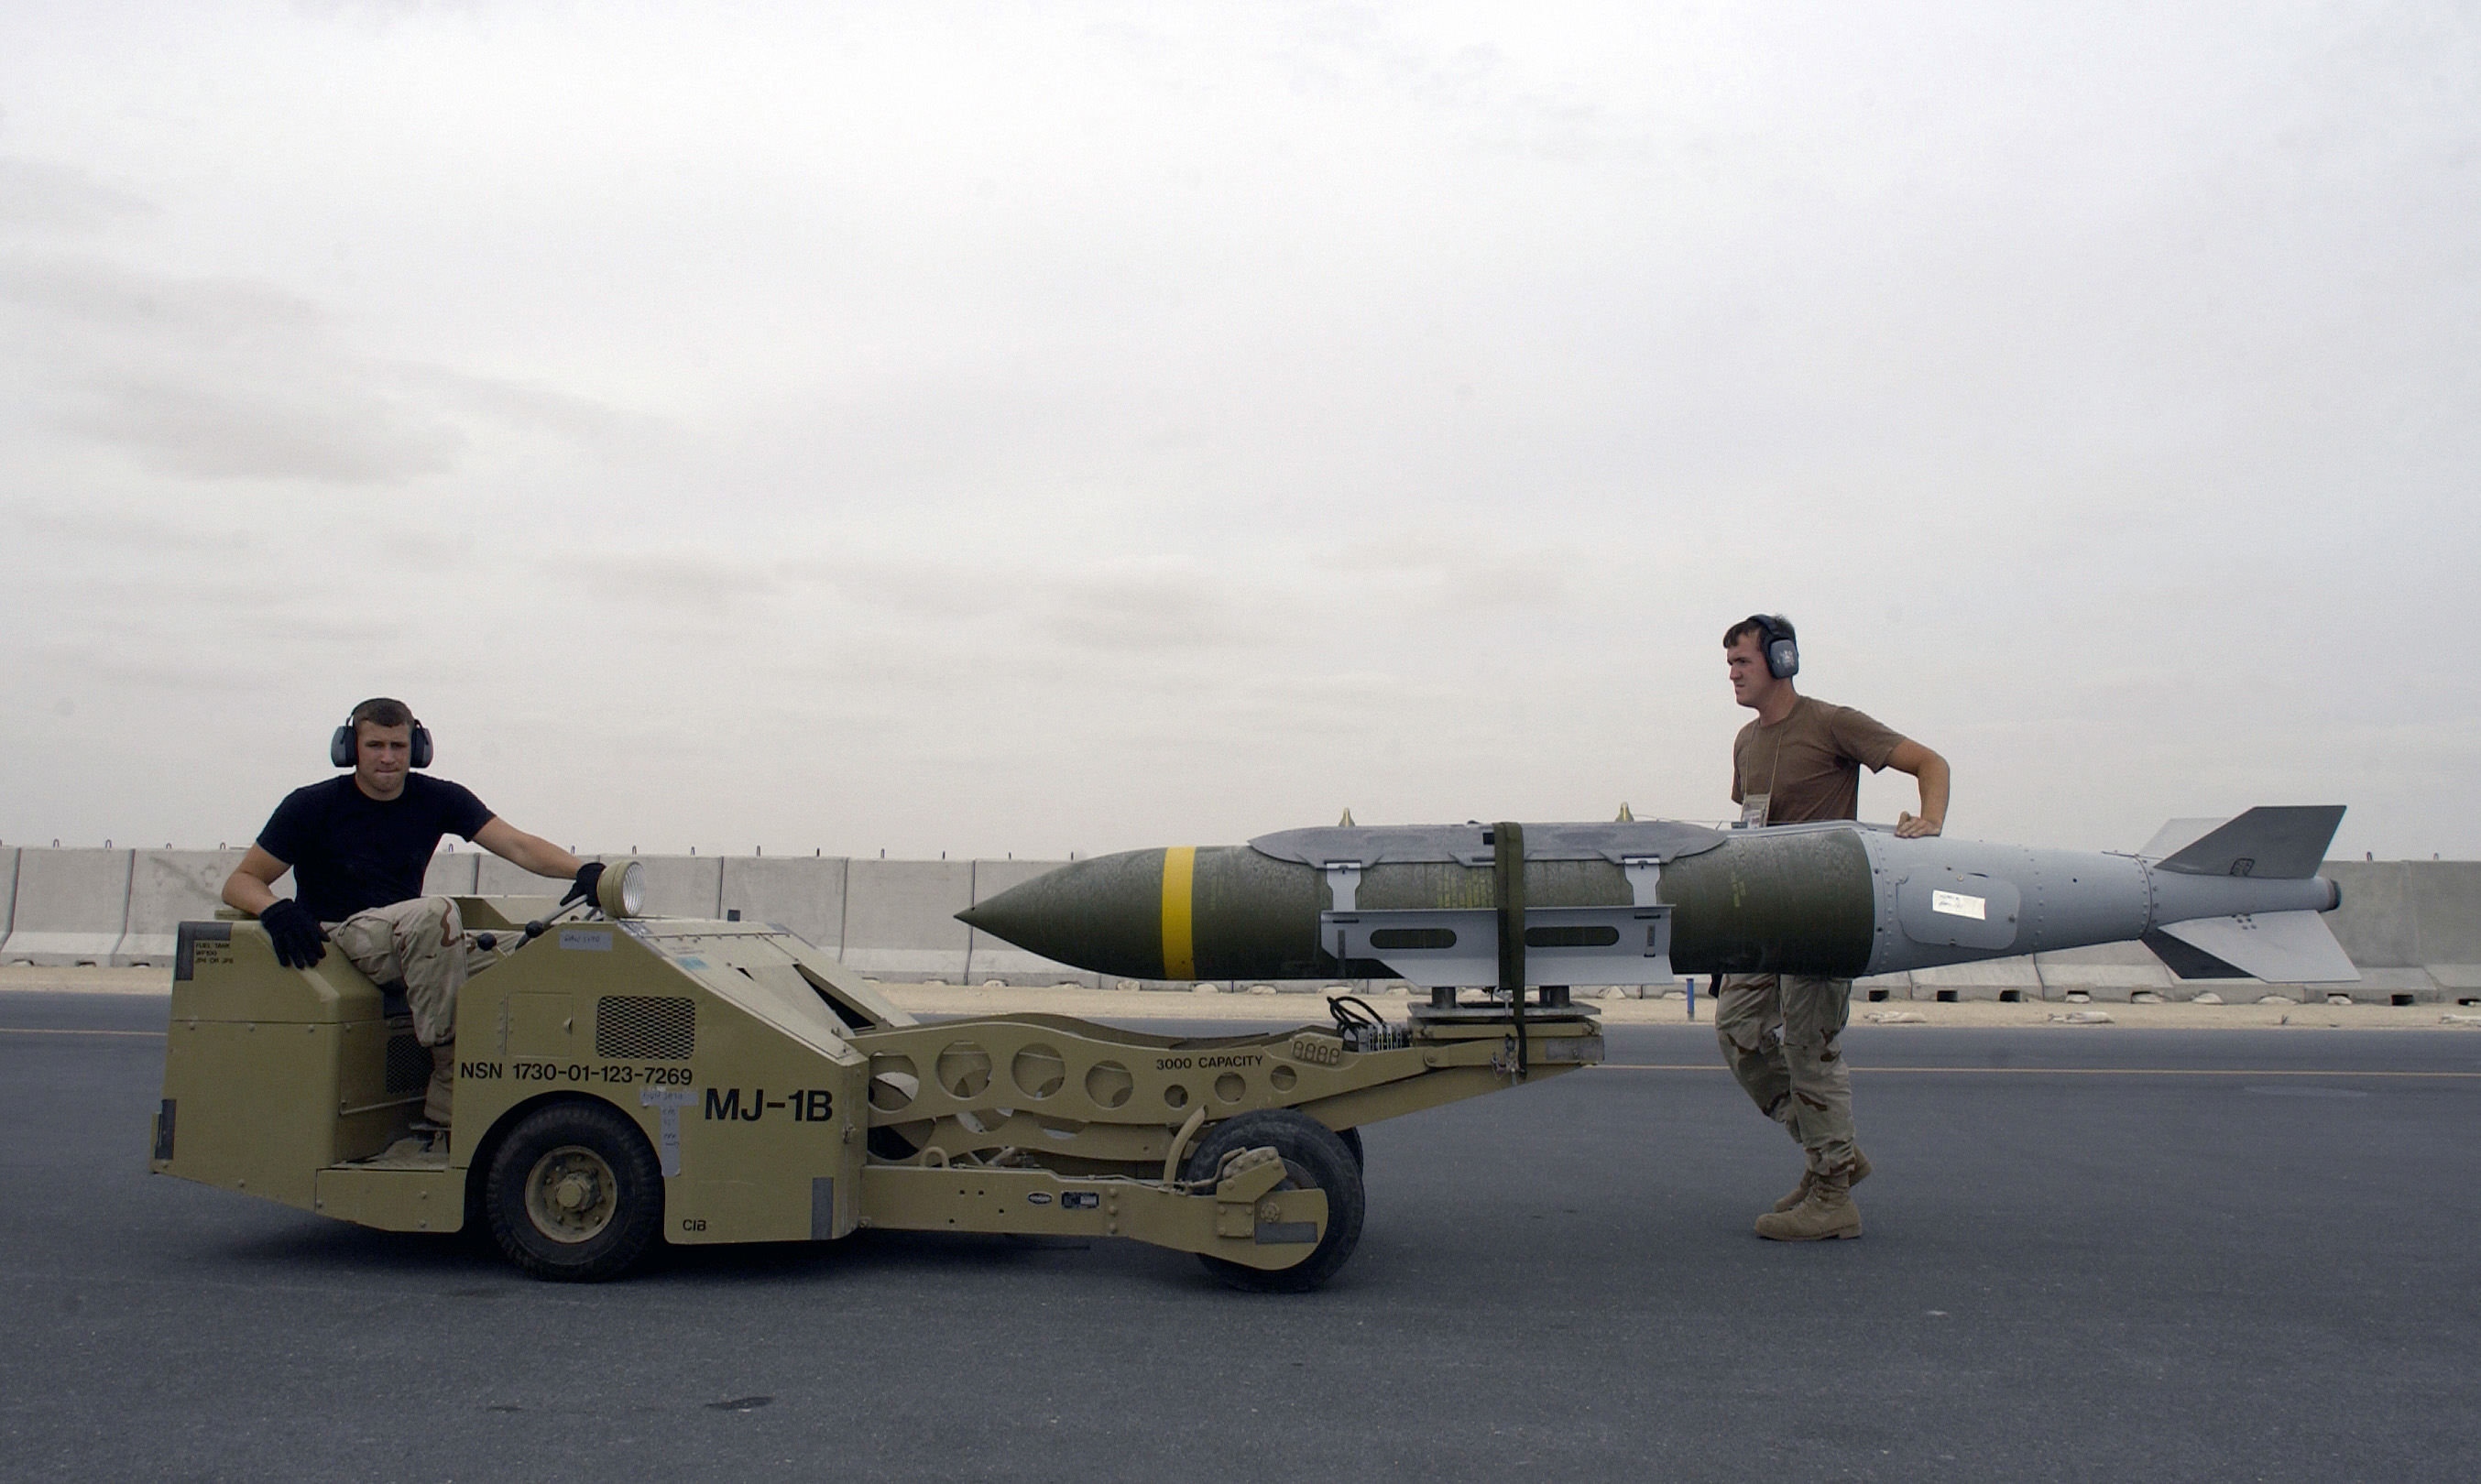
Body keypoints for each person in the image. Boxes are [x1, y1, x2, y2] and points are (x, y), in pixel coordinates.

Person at [221, 698, 602, 1132]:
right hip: (342, 938)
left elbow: (518, 845)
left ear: (416, 749)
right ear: (350, 748)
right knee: (436, 914)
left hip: (414, 939)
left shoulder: (437, 798)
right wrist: (275, 909)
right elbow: (241, 880)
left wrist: (585, 871)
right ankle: (449, 1084)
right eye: (375, 745)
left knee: (547, 949)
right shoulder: (312, 805)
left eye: (398, 746)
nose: (388, 757)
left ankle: (533, 1084)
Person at [1716, 615, 1949, 1241]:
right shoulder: (1745, 742)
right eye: (1729, 664)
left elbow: (1930, 762)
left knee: (1807, 1048)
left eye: (1742, 662)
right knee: (1737, 1032)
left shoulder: (1832, 723)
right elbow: (1752, 827)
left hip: (1823, 912)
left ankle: (1832, 1196)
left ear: (1782, 661)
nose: (1732, 674)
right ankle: (1833, 1155)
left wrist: (1930, 820)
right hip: (1767, 915)